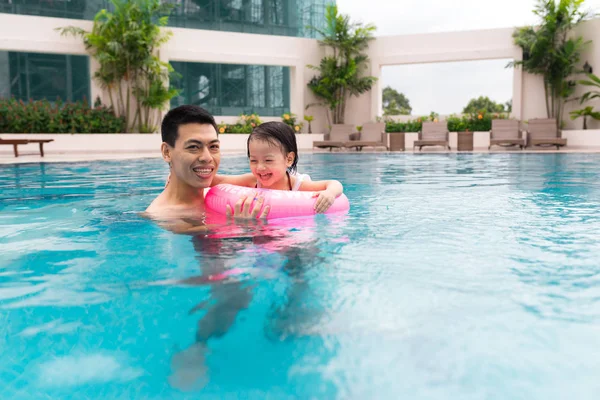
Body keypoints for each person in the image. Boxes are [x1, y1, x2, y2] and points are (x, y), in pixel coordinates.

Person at [145, 104, 267, 231]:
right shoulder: (166, 217)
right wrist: (240, 227)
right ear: (167, 152)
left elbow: (262, 178)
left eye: (213, 147)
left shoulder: (211, 190)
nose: (207, 157)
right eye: (193, 147)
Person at [210, 121, 344, 215]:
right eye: (253, 160)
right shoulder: (252, 180)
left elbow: (333, 183)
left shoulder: (297, 184)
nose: (260, 167)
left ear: (289, 159)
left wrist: (330, 193)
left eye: (268, 160)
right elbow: (220, 181)